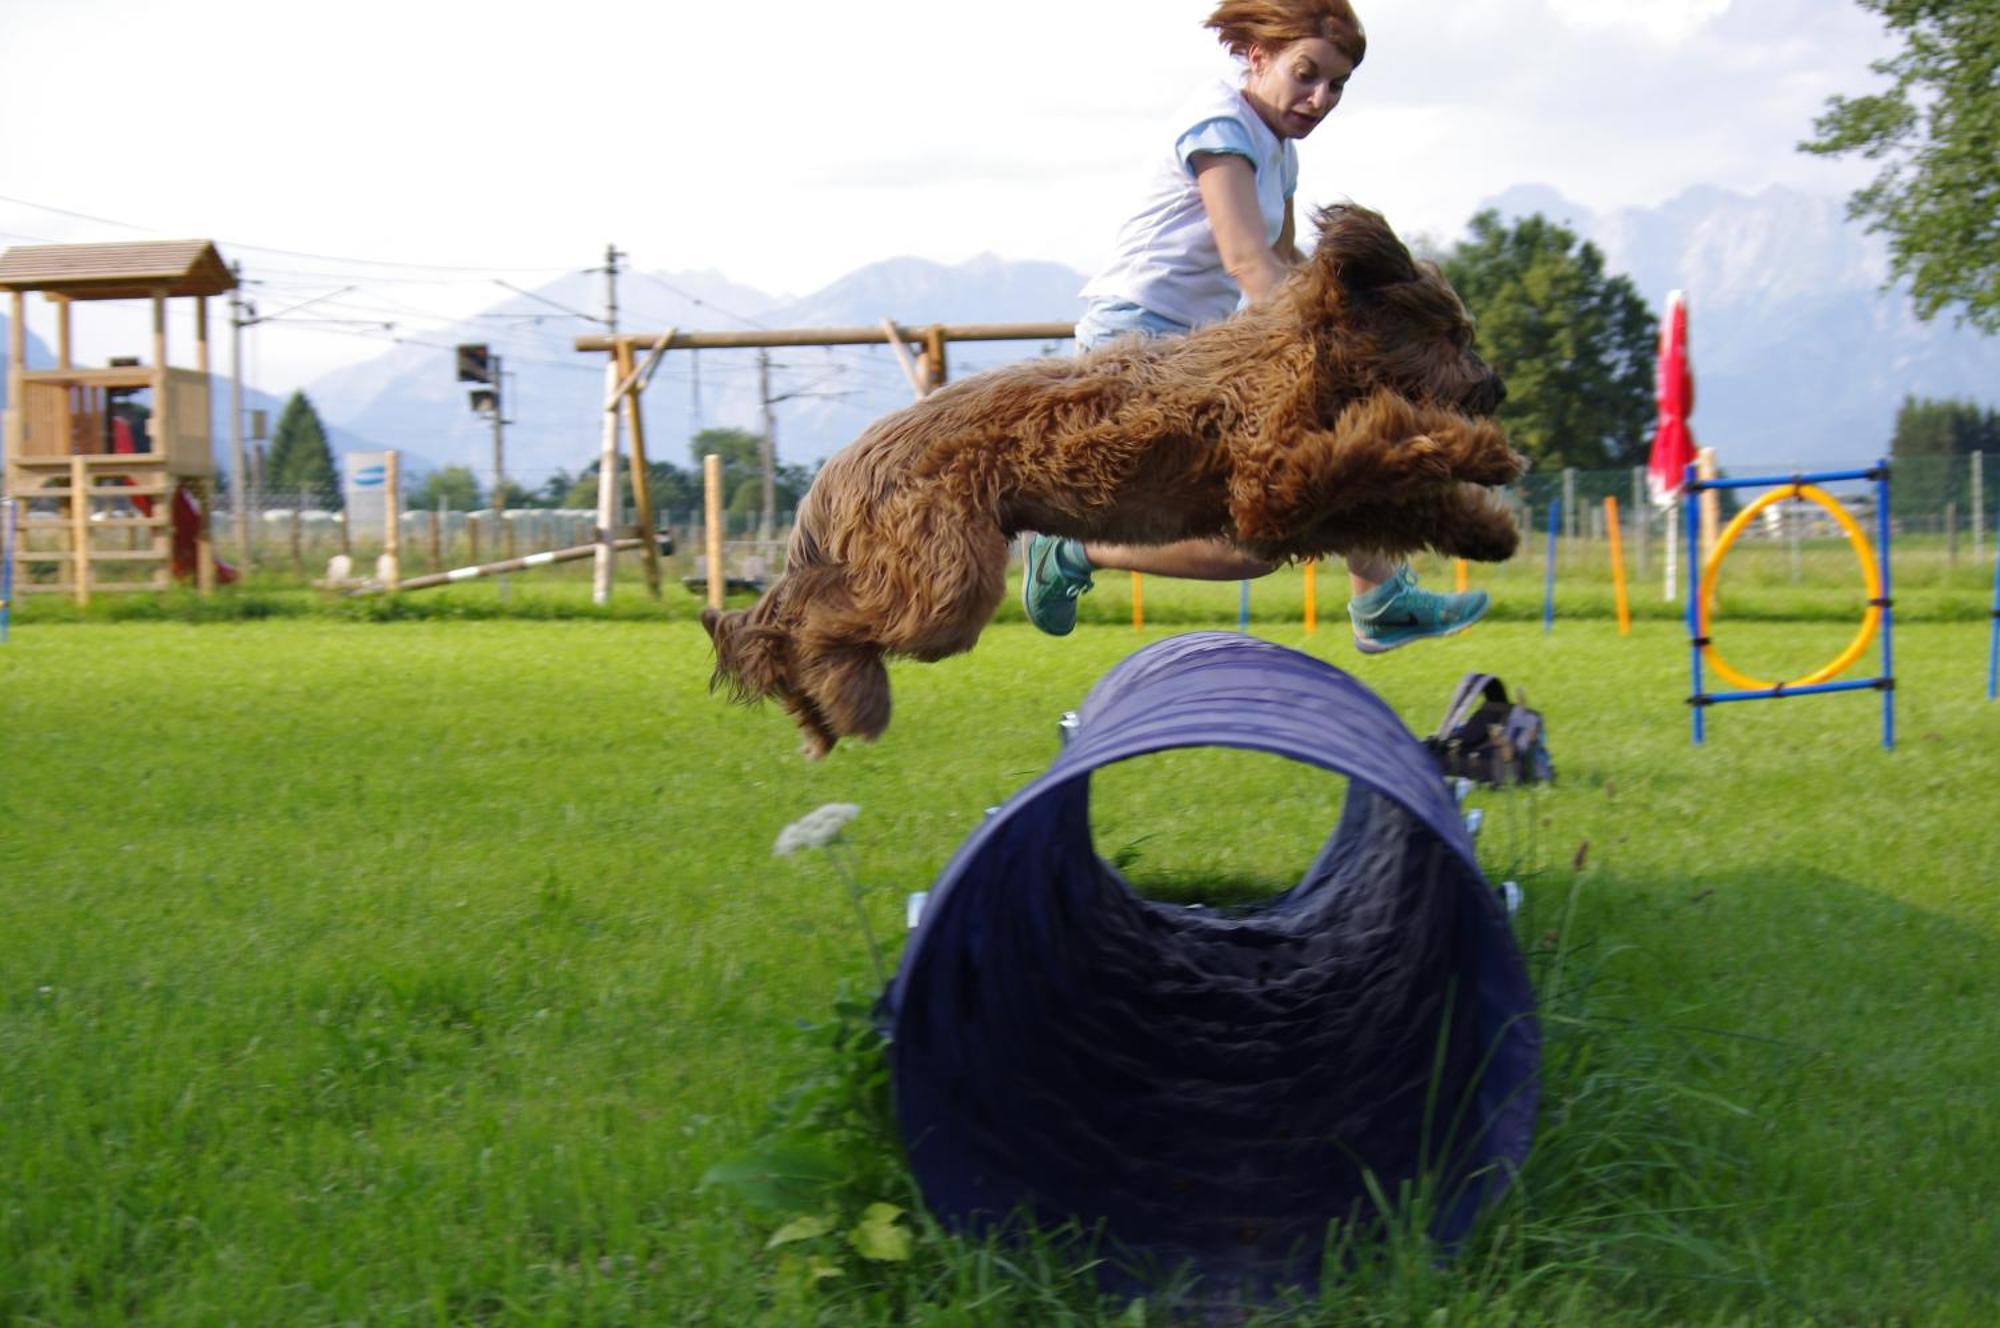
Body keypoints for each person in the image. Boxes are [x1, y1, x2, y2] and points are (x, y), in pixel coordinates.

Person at [1022, 0, 1489, 653]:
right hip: (1133, 347)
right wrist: (1336, 357)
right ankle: (1076, 551)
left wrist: (1372, 320)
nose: (1319, 98)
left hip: (1197, 350)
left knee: (1310, 479)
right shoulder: (1219, 126)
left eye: (1336, 86)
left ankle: (1381, 598)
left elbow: (1289, 263)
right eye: (1306, 74)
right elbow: (1247, 261)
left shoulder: (1279, 150)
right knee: (1262, 527)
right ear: (1258, 55)